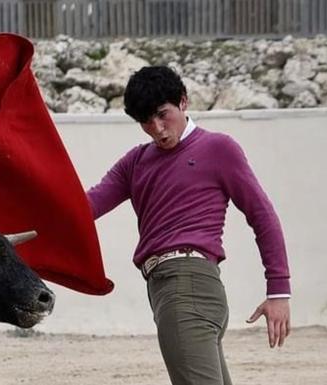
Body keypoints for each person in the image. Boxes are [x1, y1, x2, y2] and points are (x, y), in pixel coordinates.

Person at [86, 66, 291, 385]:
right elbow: (87, 206)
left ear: (183, 102)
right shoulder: (136, 161)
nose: (157, 129)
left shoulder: (218, 148)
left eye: (162, 115)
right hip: (171, 289)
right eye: (145, 122)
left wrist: (278, 290)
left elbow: (262, 215)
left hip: (188, 287)